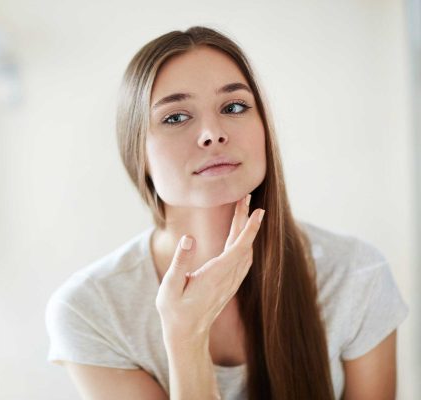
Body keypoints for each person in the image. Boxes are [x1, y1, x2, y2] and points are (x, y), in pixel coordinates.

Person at [45, 26, 409, 399]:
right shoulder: (91, 310)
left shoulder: (356, 276)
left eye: (234, 107)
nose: (212, 133)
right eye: (175, 117)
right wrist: (186, 336)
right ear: (138, 154)